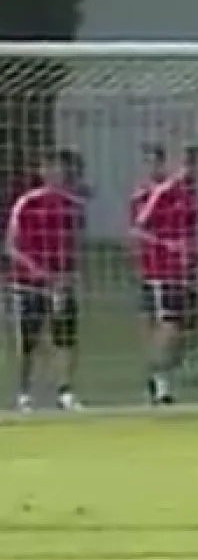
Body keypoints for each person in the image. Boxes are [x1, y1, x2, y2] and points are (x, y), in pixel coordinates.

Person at [7, 150, 86, 412]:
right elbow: (12, 246)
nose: (56, 174)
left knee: (66, 338)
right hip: (28, 283)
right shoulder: (27, 203)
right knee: (28, 340)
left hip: (61, 283)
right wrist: (39, 272)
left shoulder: (72, 206)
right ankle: (24, 393)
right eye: (50, 168)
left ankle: (65, 391)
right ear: (42, 172)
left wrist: (68, 277)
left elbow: (74, 246)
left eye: (60, 169)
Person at [133, 145, 198, 405]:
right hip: (163, 272)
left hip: (185, 272)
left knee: (189, 330)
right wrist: (168, 245)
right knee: (169, 325)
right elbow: (139, 228)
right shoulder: (165, 191)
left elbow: (191, 231)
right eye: (192, 166)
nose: (195, 172)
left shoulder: (192, 194)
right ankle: (159, 381)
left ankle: (164, 371)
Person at [130, 144, 169, 359]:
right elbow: (135, 229)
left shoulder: (171, 191)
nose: (151, 167)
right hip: (148, 265)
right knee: (146, 316)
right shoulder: (140, 194)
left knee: (169, 320)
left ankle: (162, 362)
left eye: (155, 162)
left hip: (168, 267)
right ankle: (152, 361)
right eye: (147, 162)